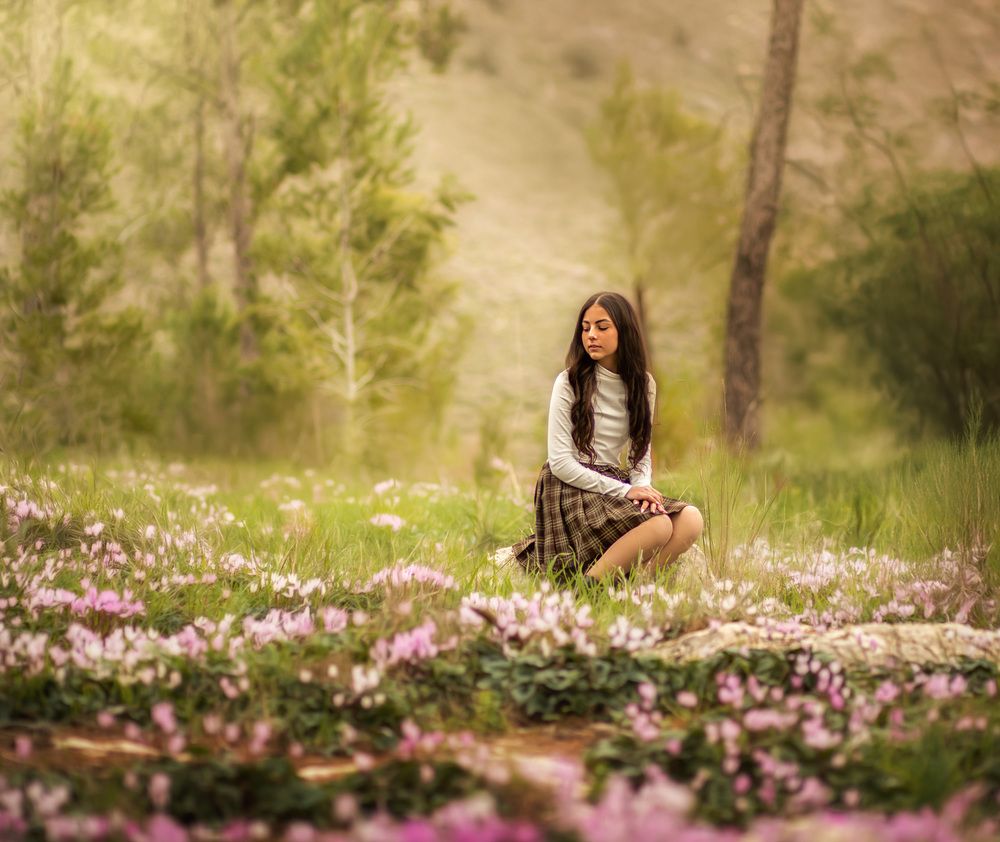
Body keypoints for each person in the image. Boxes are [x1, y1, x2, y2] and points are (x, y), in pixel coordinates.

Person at [511, 291, 704, 583]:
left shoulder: (643, 385)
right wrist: (626, 491)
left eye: (602, 327)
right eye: (585, 327)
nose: (591, 335)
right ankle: (588, 588)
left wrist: (642, 489)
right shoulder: (569, 382)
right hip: (568, 485)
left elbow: (640, 455)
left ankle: (638, 589)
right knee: (660, 527)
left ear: (623, 331)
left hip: (613, 480)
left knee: (691, 520)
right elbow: (561, 462)